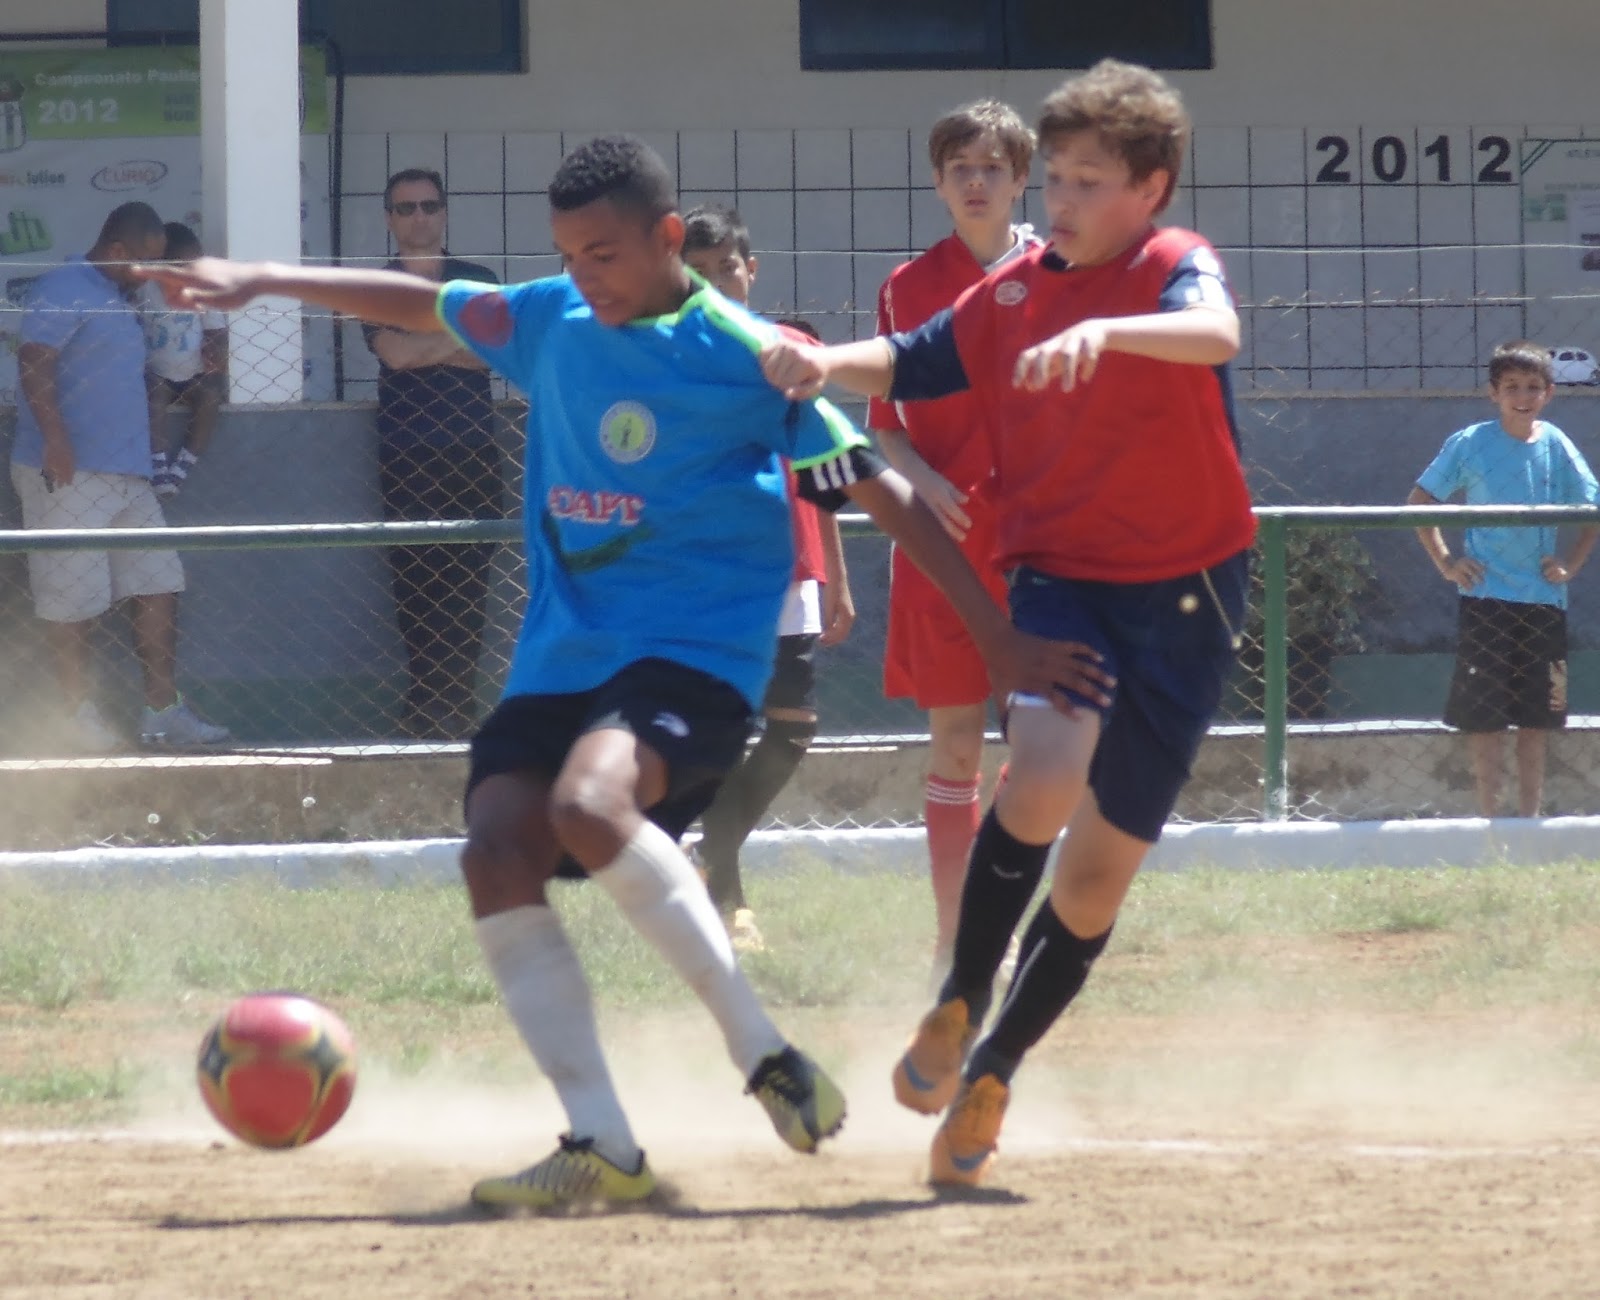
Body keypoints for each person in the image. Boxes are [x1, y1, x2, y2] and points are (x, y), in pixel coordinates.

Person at [138, 134, 1106, 1211]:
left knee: (588, 805)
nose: (582, 276)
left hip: (694, 656)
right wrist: (261, 277)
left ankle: (761, 1052)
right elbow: (420, 302)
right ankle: (601, 1140)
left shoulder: (745, 353)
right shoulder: (550, 318)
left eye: (602, 254)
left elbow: (882, 490)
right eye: (567, 255)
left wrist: (998, 637)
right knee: (496, 848)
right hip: (563, 657)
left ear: (667, 237)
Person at [761, 60, 1256, 1187]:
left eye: (1089, 181)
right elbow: (915, 357)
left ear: (1150, 189)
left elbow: (1217, 331)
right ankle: (955, 1000)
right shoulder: (1018, 289)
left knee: (1093, 882)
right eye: (1059, 177)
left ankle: (992, 1071)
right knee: (1040, 771)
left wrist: (1115, 333)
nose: (1062, 200)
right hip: (1061, 576)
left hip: (1188, 595)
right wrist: (821, 362)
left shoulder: (1173, 266)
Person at [868, 99, 1039, 985]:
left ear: (1021, 179)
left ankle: (999, 913)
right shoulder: (906, 286)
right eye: (959, 169)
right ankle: (955, 944)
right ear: (938, 183)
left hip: (1038, 548)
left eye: (992, 168)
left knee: (1048, 748)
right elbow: (885, 429)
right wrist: (924, 486)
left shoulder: (1057, 275)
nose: (976, 182)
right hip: (941, 547)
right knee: (957, 747)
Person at [681, 203, 856, 952]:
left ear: (751, 271)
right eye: (698, 273)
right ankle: (730, 898)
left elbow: (823, 470)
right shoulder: (673, 360)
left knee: (793, 730)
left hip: (793, 573)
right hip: (712, 577)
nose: (716, 283)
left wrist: (837, 578)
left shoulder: (793, 353)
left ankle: (713, 847)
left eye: (727, 269)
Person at [10, 201, 231, 752]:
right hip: (69, 471)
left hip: (130, 472)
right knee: (72, 597)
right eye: (142, 263)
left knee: (159, 582)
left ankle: (162, 712)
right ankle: (73, 716)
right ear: (114, 250)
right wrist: (55, 440)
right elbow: (34, 360)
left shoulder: (120, 296)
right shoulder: (65, 287)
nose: (149, 274)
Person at [1407, 340, 1600, 818]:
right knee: (1485, 719)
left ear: (1549, 392)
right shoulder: (1470, 443)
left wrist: (1570, 566)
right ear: (1493, 392)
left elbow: (1592, 508)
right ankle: (1490, 823)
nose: (1523, 396)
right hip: (1486, 599)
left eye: (1533, 387)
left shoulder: (1556, 445)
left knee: (1537, 719)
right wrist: (1446, 562)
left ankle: (1529, 820)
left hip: (1543, 602)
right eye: (1511, 386)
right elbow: (1419, 503)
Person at [364, 168, 505, 740]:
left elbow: (493, 353)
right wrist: (457, 339)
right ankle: (423, 709)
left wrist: (427, 343)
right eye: (406, 208)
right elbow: (395, 355)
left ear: (444, 212)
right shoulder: (376, 287)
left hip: (473, 450)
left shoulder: (478, 280)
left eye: (428, 206)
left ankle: (458, 709)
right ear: (389, 219)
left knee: (468, 587)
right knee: (414, 584)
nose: (418, 217)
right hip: (407, 454)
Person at [138, 221, 226, 498]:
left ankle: (185, 463)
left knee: (211, 396)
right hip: (158, 374)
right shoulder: (144, 290)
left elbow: (216, 330)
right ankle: (158, 463)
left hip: (194, 374)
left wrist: (215, 352)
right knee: (153, 395)